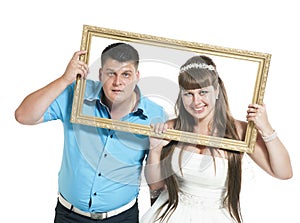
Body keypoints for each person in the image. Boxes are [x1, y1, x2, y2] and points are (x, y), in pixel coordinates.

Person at [15, 42, 166, 223]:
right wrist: (64, 80)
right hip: (69, 216)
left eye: (126, 74)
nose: (118, 82)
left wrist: (156, 149)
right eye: (111, 73)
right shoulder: (77, 95)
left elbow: (155, 184)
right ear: (101, 74)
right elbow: (23, 116)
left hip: (122, 217)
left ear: (137, 76)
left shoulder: (155, 114)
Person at [140, 55, 292, 223]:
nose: (196, 101)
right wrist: (155, 149)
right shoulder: (171, 127)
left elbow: (283, 172)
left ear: (217, 91)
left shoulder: (239, 132)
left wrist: (265, 128)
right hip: (170, 216)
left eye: (203, 92)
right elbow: (155, 186)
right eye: (188, 94)